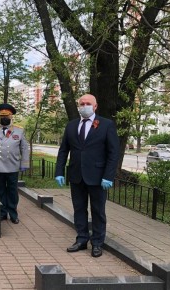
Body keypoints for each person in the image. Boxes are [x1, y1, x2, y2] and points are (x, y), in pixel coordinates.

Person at [55, 93, 119, 258]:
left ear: (95, 106)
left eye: (88, 103)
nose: (84, 106)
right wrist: (59, 172)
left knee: (98, 211)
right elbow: (63, 151)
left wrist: (108, 176)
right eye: (82, 104)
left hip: (98, 177)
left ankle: (97, 243)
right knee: (79, 209)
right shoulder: (71, 125)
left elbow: (113, 153)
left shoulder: (106, 125)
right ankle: (82, 239)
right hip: (76, 175)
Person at [0, 103, 29, 223]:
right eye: (2, 116)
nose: (4, 118)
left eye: (7, 116)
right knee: (0, 190)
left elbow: (24, 148)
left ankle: (13, 213)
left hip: (12, 165)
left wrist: (24, 163)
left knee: (12, 190)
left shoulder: (19, 130)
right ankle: (2, 213)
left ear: (11, 116)